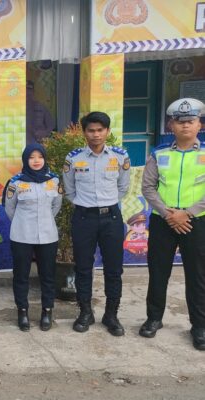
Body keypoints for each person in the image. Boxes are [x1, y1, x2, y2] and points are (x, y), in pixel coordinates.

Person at [140, 98, 205, 350]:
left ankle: (199, 325)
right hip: (163, 221)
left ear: (199, 124)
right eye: (180, 122)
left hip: (196, 222)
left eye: (190, 121)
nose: (185, 126)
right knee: (158, 272)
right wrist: (169, 214)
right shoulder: (159, 153)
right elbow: (148, 187)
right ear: (171, 125)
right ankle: (154, 318)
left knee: (197, 275)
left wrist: (186, 213)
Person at [63, 111, 130, 336]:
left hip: (111, 218)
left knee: (114, 269)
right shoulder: (73, 158)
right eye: (91, 130)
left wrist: (107, 204)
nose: (96, 134)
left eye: (100, 130)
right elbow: (69, 189)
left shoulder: (120, 156)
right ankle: (85, 312)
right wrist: (86, 205)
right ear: (84, 133)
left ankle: (111, 314)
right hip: (84, 218)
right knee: (83, 267)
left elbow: (123, 187)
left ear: (107, 131)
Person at [4, 144, 62, 332]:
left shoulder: (54, 181)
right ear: (25, 160)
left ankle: (47, 311)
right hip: (22, 235)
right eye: (31, 157)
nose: (36, 161)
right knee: (21, 276)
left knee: (48, 275)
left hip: (47, 235)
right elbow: (10, 209)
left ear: (44, 158)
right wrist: (23, 223)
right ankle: (22, 312)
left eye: (39, 157)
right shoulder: (15, 182)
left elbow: (56, 206)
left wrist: (44, 221)